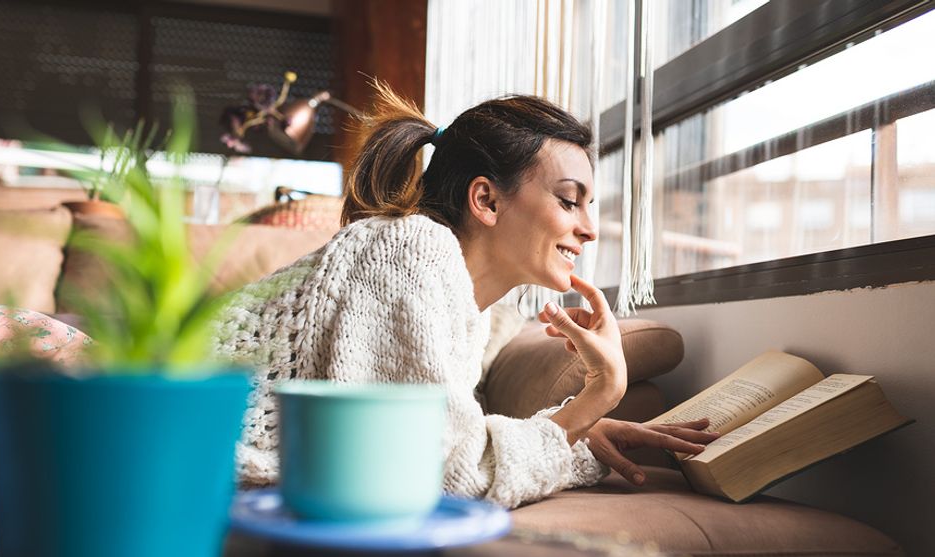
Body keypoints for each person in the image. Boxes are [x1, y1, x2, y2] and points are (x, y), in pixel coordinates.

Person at [213, 82, 719, 508]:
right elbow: (435, 476)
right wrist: (596, 397)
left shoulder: (470, 305)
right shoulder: (405, 249)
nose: (589, 230)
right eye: (569, 201)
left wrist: (578, 432)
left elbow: (449, 442)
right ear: (486, 199)